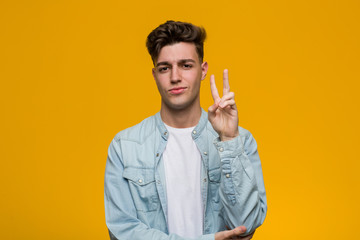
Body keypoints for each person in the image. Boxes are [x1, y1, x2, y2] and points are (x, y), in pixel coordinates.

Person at [104, 20, 267, 240]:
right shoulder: (124, 146)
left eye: (186, 65)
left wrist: (229, 140)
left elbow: (245, 226)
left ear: (203, 69)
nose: (175, 77)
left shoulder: (241, 141)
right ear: (154, 75)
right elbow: (122, 230)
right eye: (165, 68)